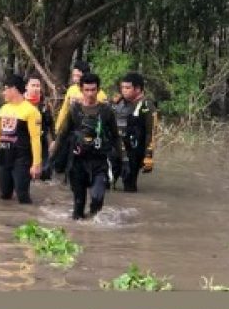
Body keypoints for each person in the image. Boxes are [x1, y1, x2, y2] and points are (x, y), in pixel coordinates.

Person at [51, 72, 121, 219]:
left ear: (98, 90)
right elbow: (63, 134)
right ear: (81, 90)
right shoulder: (74, 110)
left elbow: (115, 136)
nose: (90, 93)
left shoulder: (106, 111)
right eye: (87, 90)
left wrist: (118, 160)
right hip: (78, 162)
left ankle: (93, 225)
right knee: (78, 207)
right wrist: (53, 158)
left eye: (93, 90)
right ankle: (81, 233)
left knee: (97, 198)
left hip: (99, 161)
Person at [0, 74, 42, 203]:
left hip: (22, 158)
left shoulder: (31, 111)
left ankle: (28, 218)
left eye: (6, 89)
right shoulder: (4, 109)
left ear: (14, 89)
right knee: (5, 195)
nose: (3, 92)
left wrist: (36, 164)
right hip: (4, 156)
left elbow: (35, 139)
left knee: (22, 195)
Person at [111, 71, 157, 192]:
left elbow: (150, 132)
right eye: (122, 87)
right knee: (106, 182)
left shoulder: (147, 106)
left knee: (129, 187)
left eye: (127, 88)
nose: (123, 90)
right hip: (115, 149)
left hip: (133, 152)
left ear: (138, 89)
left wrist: (148, 156)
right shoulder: (118, 102)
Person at [24, 75, 54, 179]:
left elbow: (50, 124)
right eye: (33, 85)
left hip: (42, 140)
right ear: (26, 87)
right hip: (25, 140)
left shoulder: (44, 104)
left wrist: (53, 141)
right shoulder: (20, 102)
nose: (36, 88)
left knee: (45, 172)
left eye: (38, 86)